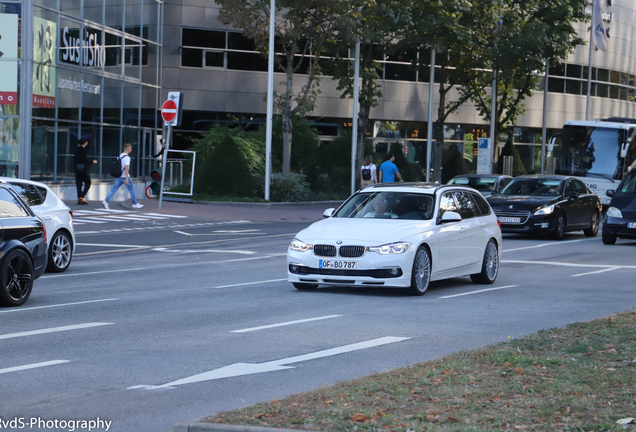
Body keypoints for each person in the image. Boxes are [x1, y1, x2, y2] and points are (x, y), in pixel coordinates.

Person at [102, 143, 144, 210]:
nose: (131, 149)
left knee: (114, 189)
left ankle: (106, 201)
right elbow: (126, 168)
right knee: (131, 189)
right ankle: (134, 203)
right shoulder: (127, 158)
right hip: (124, 176)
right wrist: (127, 178)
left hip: (118, 176)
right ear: (128, 149)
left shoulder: (120, 156)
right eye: (130, 148)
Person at [75, 138, 97, 205]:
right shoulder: (83, 150)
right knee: (88, 182)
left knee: (79, 184)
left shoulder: (77, 149)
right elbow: (85, 160)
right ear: (85, 143)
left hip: (77, 168)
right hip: (83, 169)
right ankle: (82, 196)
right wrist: (92, 161)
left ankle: (79, 197)